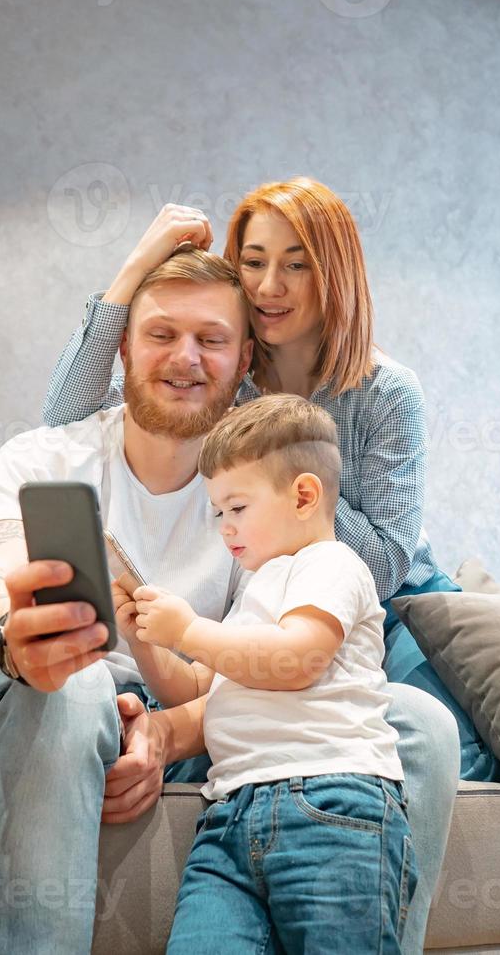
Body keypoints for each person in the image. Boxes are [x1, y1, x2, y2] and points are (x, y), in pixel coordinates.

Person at [0, 246, 459, 955]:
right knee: (74, 691)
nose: (185, 358)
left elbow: (263, 667)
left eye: (212, 340)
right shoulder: (40, 456)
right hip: (69, 699)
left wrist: (165, 734)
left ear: (245, 360)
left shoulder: (255, 500)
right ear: (125, 346)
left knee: (420, 725)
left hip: (205, 712)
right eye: (162, 334)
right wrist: (15, 637)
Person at [127, 394, 416, 953]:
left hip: (330, 802)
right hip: (230, 814)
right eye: (217, 513)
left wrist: (187, 630)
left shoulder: (330, 565)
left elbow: (295, 662)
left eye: (237, 508)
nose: (224, 528)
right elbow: (196, 689)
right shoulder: (258, 590)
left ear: (304, 496)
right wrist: (148, 644)